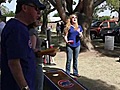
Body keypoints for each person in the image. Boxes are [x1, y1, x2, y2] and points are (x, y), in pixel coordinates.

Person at [1, 0, 46, 90]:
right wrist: (25, 87)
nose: (39, 12)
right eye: (36, 9)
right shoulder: (17, 28)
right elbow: (14, 62)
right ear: (24, 8)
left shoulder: (21, 28)